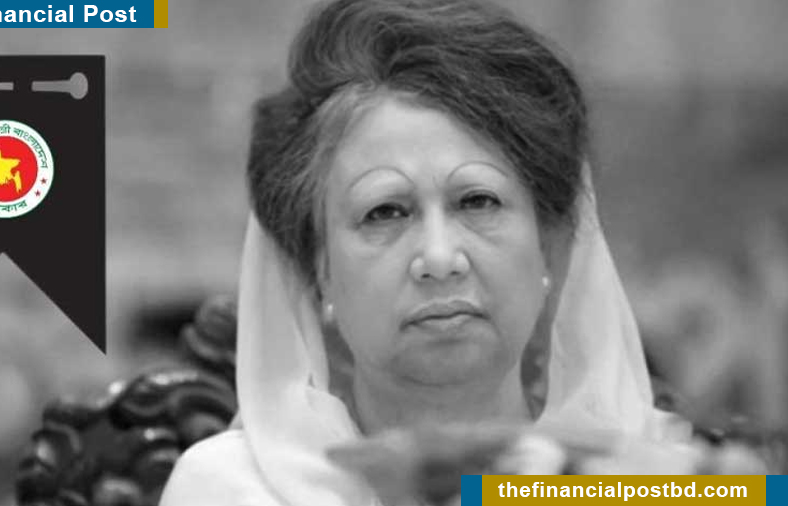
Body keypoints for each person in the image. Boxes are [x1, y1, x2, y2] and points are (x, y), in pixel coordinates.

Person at [160, 0, 689, 504]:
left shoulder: (666, 480)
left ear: (549, 245)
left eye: (478, 201)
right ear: (319, 271)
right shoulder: (233, 489)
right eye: (385, 212)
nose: (439, 259)